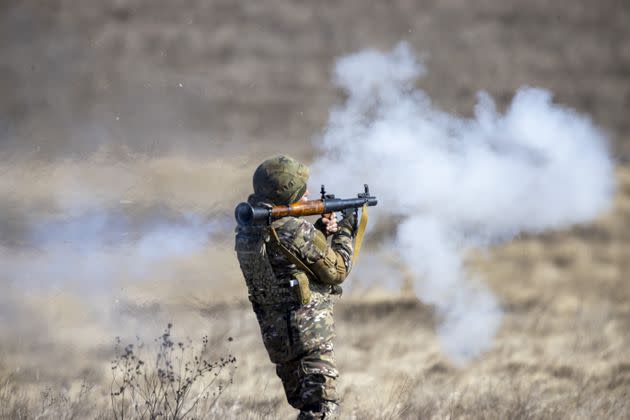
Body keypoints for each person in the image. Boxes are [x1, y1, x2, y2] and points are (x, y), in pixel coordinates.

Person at [234, 155, 355, 419]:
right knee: (321, 410)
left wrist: (319, 231)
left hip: (279, 336)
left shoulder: (249, 230)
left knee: (307, 408)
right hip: (309, 336)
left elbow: (286, 261)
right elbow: (337, 271)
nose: (308, 193)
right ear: (285, 190)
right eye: (301, 188)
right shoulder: (292, 229)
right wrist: (346, 230)